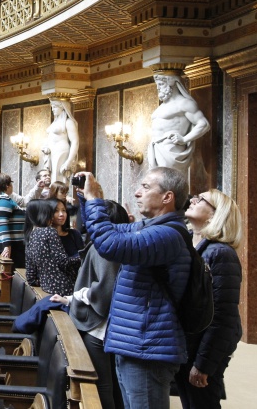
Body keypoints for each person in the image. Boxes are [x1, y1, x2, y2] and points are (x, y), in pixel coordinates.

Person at [78, 167, 192, 409]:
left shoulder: (167, 235)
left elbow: (110, 245)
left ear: (167, 197)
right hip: (135, 342)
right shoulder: (149, 228)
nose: (137, 193)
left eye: (146, 187)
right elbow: (103, 234)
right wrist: (85, 198)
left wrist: (95, 200)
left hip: (147, 347)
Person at [51, 198, 130, 409]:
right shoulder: (122, 242)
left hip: (99, 328)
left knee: (103, 385)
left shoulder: (105, 247)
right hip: (111, 326)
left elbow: (104, 293)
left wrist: (79, 295)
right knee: (114, 383)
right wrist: (71, 298)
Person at [174, 189, 243, 409]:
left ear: (215, 215)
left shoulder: (221, 254)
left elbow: (223, 318)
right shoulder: (192, 246)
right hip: (189, 345)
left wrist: (203, 365)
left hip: (202, 350)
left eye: (201, 199)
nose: (192, 200)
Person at [148, 72, 210, 181]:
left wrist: (184, 139)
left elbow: (204, 124)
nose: (157, 88)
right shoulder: (162, 106)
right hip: (155, 148)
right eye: (157, 84)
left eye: (161, 84)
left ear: (172, 83)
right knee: (155, 184)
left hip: (170, 149)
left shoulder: (184, 103)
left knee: (167, 184)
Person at [25, 199, 81, 296]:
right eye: (51, 212)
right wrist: (84, 257)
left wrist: (45, 282)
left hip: (46, 288)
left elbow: (31, 277)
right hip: (64, 289)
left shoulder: (33, 234)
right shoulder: (50, 232)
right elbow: (63, 262)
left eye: (64, 210)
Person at [0, 173, 25, 265]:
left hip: (4, 243)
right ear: (7, 185)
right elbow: (1, 223)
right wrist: (7, 246)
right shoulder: (4, 200)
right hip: (8, 245)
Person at [42, 97, 79, 184]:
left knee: (58, 179)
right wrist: (45, 147)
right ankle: (53, 196)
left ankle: (59, 197)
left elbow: (75, 142)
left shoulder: (68, 122)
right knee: (50, 178)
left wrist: (69, 161)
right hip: (51, 153)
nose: (52, 109)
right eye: (52, 106)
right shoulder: (54, 123)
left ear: (62, 106)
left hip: (61, 152)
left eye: (55, 106)